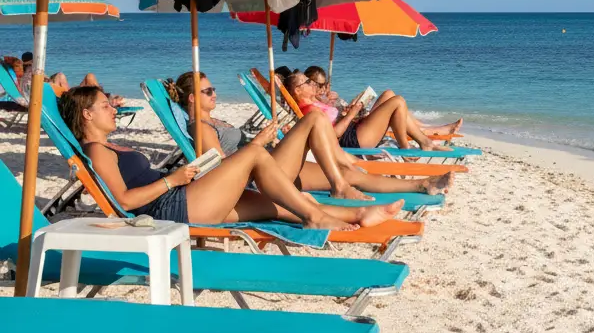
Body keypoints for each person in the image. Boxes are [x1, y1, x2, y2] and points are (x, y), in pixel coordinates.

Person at [60, 85, 405, 230]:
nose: (113, 108)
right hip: (173, 209)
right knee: (255, 153)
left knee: (279, 206)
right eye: (105, 105)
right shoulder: (96, 151)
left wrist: (184, 177)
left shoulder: (114, 146)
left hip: (184, 196)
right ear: (87, 115)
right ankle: (319, 217)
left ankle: (360, 212)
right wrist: (172, 179)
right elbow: (123, 200)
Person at [167, 73, 450, 198]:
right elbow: (218, 169)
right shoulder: (200, 127)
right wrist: (257, 143)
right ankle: (340, 183)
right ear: (192, 99)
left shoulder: (213, 120)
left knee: (349, 176)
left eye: (213, 89)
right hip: (256, 177)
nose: (214, 94)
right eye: (208, 91)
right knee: (314, 117)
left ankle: (419, 185)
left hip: (268, 165)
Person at [284, 71, 441, 151]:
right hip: (353, 139)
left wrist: (347, 113)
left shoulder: (315, 103)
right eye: (307, 82)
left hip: (355, 129)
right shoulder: (310, 110)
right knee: (397, 102)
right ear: (297, 91)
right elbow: (334, 134)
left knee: (389, 94)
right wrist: (351, 114)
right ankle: (412, 146)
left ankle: (420, 140)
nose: (312, 83)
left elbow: (333, 122)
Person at [305, 65, 463, 136]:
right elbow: (334, 129)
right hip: (356, 127)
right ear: (310, 84)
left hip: (358, 119)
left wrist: (347, 104)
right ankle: (432, 131)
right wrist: (347, 113)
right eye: (320, 86)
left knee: (389, 94)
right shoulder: (313, 107)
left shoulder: (325, 98)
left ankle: (427, 126)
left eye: (325, 85)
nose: (323, 89)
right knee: (395, 102)